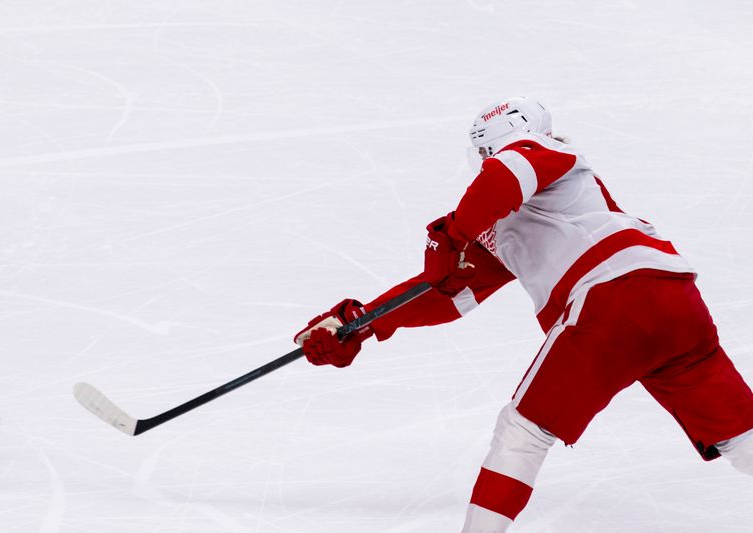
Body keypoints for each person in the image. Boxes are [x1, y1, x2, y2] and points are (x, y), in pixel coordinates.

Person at [293, 97, 753, 532]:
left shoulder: (550, 156)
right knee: (738, 432)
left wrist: (451, 236)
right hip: (676, 301)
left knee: (523, 432)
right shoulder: (504, 220)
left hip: (612, 298)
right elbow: (448, 294)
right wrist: (362, 321)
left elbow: (506, 174)